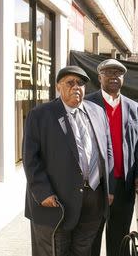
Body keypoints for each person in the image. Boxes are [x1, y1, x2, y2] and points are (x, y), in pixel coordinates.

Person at [22, 65, 114, 256]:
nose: (76, 87)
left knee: (84, 251)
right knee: (56, 251)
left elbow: (108, 151)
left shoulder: (97, 111)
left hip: (93, 201)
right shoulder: (41, 115)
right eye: (70, 83)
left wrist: (108, 188)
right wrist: (43, 192)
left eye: (80, 83)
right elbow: (31, 159)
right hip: (56, 202)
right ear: (58, 87)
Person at [86, 58, 138, 256]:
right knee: (92, 236)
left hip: (124, 184)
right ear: (100, 77)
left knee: (119, 237)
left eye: (118, 73)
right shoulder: (87, 103)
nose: (114, 76)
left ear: (123, 78)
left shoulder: (134, 107)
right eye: (108, 72)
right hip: (96, 184)